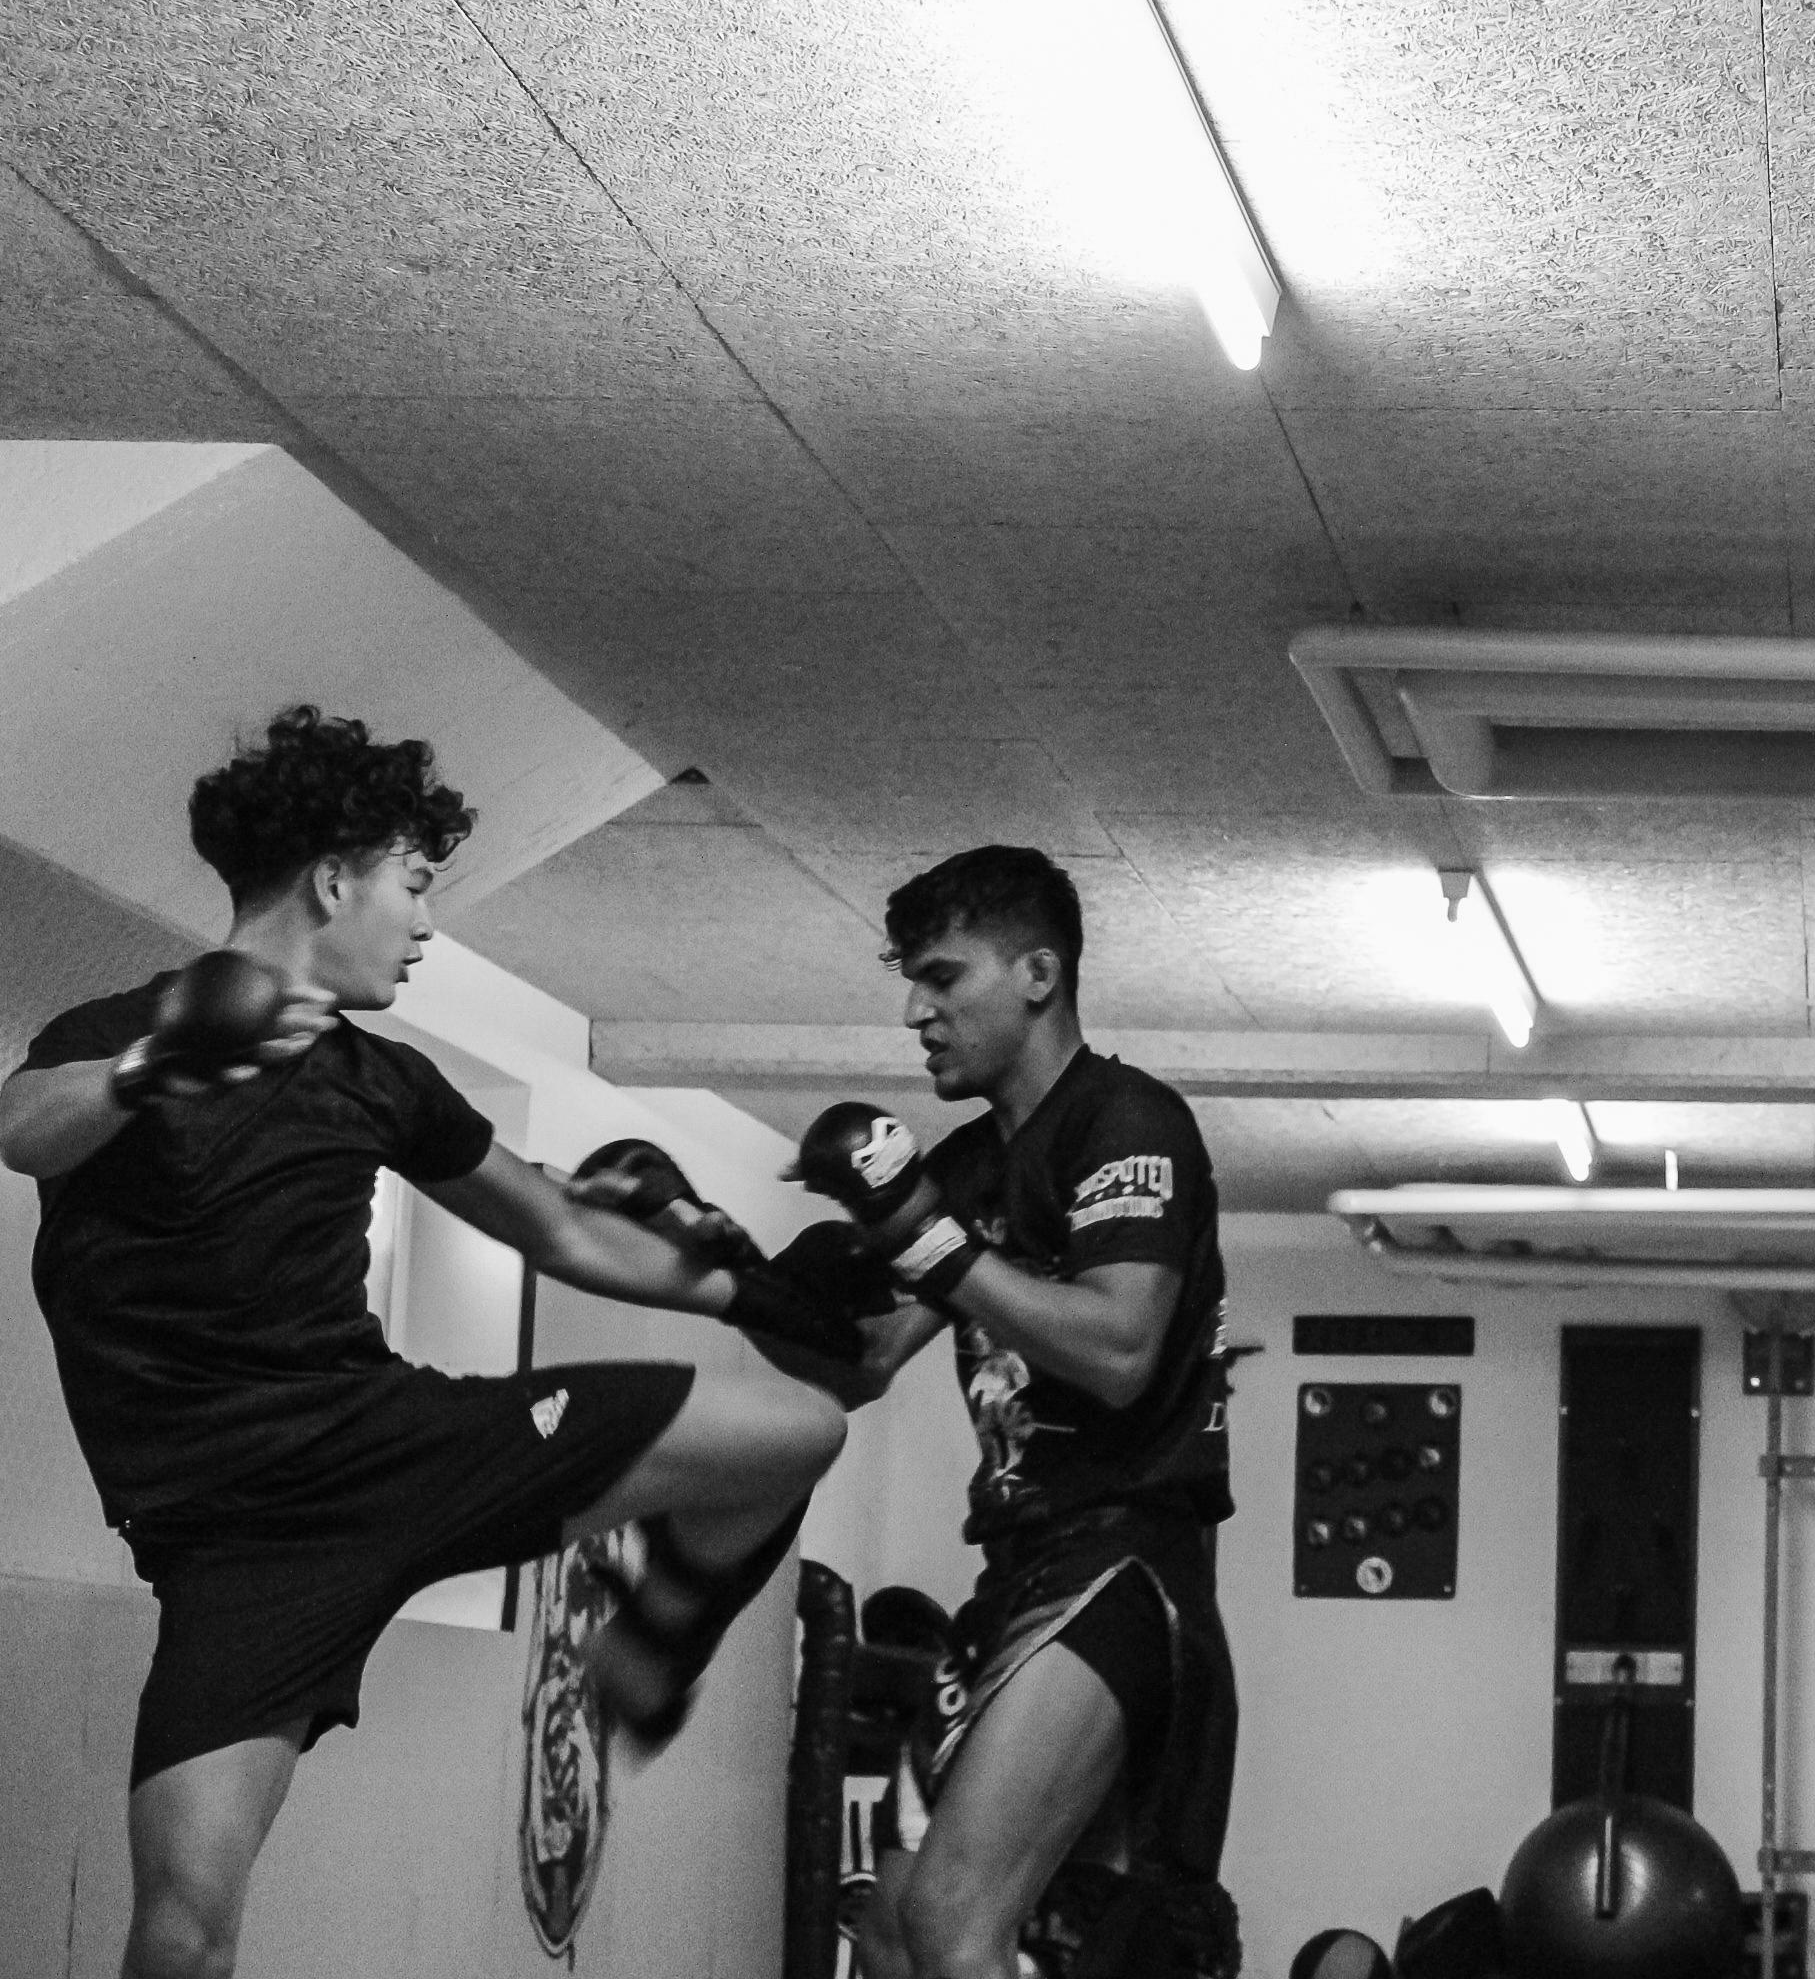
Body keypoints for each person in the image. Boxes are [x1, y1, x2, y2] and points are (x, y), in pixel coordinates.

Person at [0, 705, 870, 1979]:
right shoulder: (112, 1038)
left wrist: (760, 1295)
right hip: (235, 1546)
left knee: (798, 1427)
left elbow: (559, 1230)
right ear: (332, 881)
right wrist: (157, 1067)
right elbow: (22, 1126)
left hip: (396, 1446)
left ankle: (660, 1628)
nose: (422, 926)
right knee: (182, 1935)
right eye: (411, 885)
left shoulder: (382, 1080)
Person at [764, 846, 1240, 1979]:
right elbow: (869, 1360)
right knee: (889, 1929)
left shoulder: (1126, 1121)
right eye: (912, 984)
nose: (916, 1013)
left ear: (1037, 974)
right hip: (1018, 1569)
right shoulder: (975, 1163)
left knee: (954, 1917)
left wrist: (930, 1241)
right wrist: (728, 1272)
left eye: (943, 978)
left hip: (1122, 1561)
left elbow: (1119, 1350)